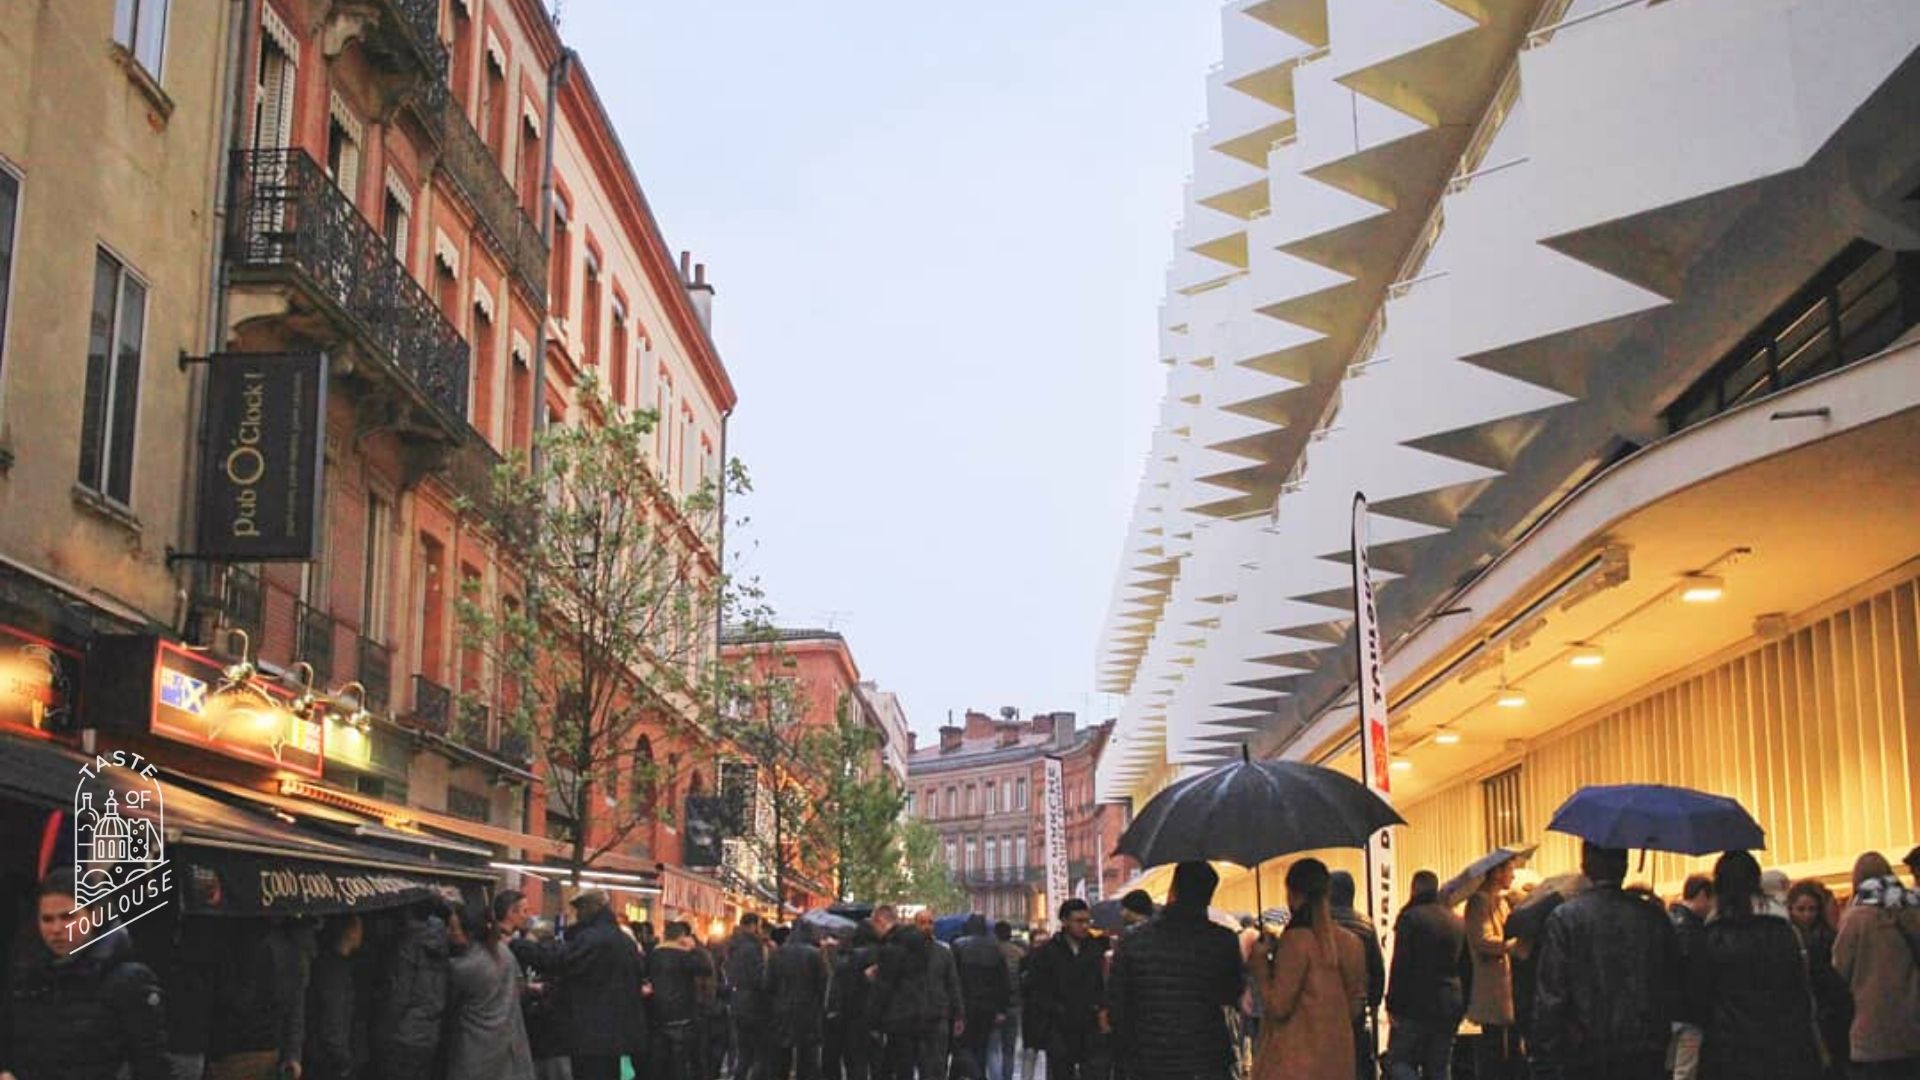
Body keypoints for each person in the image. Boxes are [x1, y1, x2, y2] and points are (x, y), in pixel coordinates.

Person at [0, 868, 169, 1080]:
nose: (57, 929)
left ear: (94, 915)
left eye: (68, 917)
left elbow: (152, 1066)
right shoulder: (25, 976)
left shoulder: (128, 981)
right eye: (47, 919)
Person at [1530, 842, 1680, 1080]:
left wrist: (1543, 1060)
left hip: (1585, 1053)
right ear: (1625, 865)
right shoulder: (1653, 918)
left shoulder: (1566, 918)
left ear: (1585, 866)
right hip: (1644, 1051)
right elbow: (1672, 983)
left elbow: (1551, 996)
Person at [1686, 851, 1822, 1080]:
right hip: (1780, 1051)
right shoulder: (1782, 932)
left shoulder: (1710, 938)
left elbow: (1697, 1003)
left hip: (1726, 1053)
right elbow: (1799, 994)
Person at [1109, 862, 1245, 1080]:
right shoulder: (1223, 940)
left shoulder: (1133, 941)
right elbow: (1231, 993)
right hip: (1205, 1058)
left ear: (1173, 891)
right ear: (1209, 897)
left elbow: (1118, 1006)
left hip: (1150, 1059)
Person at [511, 889, 650, 1080]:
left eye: (580, 909)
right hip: (615, 1034)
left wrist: (517, 945)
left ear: (592, 907)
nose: (577, 915)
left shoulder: (594, 939)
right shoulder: (625, 941)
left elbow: (558, 960)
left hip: (592, 1033)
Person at [1247, 859, 1367, 1080]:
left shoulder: (1296, 940)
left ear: (1293, 894)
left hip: (1294, 1063)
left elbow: (1278, 1006)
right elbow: (1356, 1004)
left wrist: (1261, 965)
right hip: (1338, 1060)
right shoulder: (1352, 942)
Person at [1832, 851, 1920, 1078]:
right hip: (1912, 1025)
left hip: (1871, 1030)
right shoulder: (1912, 907)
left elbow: (1839, 968)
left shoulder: (1856, 917)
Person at [1383, 870, 1471, 1080]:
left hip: (1415, 1004)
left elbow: (1401, 964)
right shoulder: (1456, 921)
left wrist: (1392, 1003)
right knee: (1439, 1067)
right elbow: (1467, 967)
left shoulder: (1410, 918)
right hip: (1450, 1004)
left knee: (1398, 1061)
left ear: (1414, 888)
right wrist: (1464, 1003)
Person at [209, 917, 313, 1080]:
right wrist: (293, 1054)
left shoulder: (227, 939)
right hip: (268, 1046)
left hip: (229, 1047)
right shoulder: (290, 950)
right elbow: (294, 1009)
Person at [445, 902, 536, 1080]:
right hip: (509, 1046)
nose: (449, 932)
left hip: (474, 1051)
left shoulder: (462, 967)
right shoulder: (503, 952)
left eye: (453, 928)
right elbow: (520, 987)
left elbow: (448, 1004)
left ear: (468, 931)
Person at [1024, 899, 1110, 1080]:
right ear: (1064, 921)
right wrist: (1049, 1018)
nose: (1084, 926)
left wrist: (1101, 1012)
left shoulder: (1094, 949)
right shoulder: (1047, 953)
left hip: (1089, 1026)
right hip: (1059, 1027)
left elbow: (1099, 985)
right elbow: (1035, 991)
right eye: (1079, 921)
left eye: (1087, 921)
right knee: (1061, 1072)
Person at [373, 899, 450, 1080]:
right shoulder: (443, 943)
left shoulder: (407, 945)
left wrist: (382, 1033)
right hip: (430, 1035)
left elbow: (399, 994)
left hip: (404, 1034)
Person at [1788, 880, 1853, 1076]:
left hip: (1827, 1017)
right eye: (1801, 909)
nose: (1807, 915)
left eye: (1811, 909)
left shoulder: (1826, 939)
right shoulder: (1789, 940)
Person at [1328, 871, 1385, 1080]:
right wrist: (1375, 999)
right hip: (1357, 1002)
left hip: (1326, 1003)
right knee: (1357, 1055)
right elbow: (1376, 967)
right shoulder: (1365, 924)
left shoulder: (1320, 923)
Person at [1464, 861, 1517, 1080]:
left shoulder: (1500, 902)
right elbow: (1482, 941)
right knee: (1492, 1050)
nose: (1513, 876)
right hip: (1491, 988)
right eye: (1510, 870)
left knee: (1508, 1052)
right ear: (1496, 872)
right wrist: (1512, 945)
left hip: (1505, 987)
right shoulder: (1479, 902)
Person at [868, 905, 932, 1080]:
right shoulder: (917, 944)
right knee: (908, 1064)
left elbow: (884, 986)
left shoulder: (891, 947)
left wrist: (873, 1019)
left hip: (896, 1016)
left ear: (880, 921)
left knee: (892, 1066)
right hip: (917, 1012)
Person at [303, 914, 365, 1080]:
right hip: (329, 1062)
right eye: (359, 927)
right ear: (350, 932)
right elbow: (333, 1018)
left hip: (321, 1056)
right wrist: (344, 1061)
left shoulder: (327, 964)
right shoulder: (335, 971)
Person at [768, 922, 832, 1080]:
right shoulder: (815, 955)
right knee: (808, 1057)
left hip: (782, 1010)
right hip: (808, 1011)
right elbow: (823, 984)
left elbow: (768, 984)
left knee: (782, 1056)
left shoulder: (777, 954)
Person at [952, 916, 1012, 1080]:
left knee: (964, 1046)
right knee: (983, 1046)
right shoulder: (994, 949)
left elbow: (953, 979)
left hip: (966, 1005)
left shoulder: (958, 946)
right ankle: (979, 1074)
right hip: (988, 1007)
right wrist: (1001, 1009)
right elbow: (1003, 982)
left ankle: (972, 1075)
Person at [1667, 874, 1714, 1080]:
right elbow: (1696, 974)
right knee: (1685, 1071)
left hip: (1668, 1012)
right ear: (1703, 895)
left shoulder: (1667, 921)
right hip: (1690, 1014)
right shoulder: (1695, 930)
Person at [915, 909, 965, 1080]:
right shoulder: (909, 952)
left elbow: (953, 983)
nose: (927, 926)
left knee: (938, 1063)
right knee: (922, 1063)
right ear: (916, 925)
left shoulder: (944, 953)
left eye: (930, 922)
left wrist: (959, 1014)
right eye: (922, 922)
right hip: (916, 1016)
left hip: (939, 1014)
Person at [826, 922, 878, 1080]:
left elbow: (845, 981)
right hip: (875, 1015)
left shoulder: (855, 956)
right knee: (873, 1062)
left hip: (853, 1016)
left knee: (854, 1061)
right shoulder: (881, 953)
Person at [726, 914, 773, 1080]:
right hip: (754, 1004)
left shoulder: (733, 944)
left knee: (744, 1052)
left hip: (737, 1001)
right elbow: (758, 977)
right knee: (759, 1051)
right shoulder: (753, 947)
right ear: (753, 925)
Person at [987, 923, 1023, 1080]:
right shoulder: (1020, 953)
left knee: (993, 1049)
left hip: (994, 1006)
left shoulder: (991, 952)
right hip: (1014, 1005)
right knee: (1009, 1049)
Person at [1016, 931, 1050, 1080]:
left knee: (1054, 1053)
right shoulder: (1025, 961)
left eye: (1045, 942)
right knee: (1030, 1051)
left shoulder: (1056, 961)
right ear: (1031, 943)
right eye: (1039, 942)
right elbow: (1022, 985)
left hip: (1051, 1012)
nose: (1042, 946)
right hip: (1033, 1012)